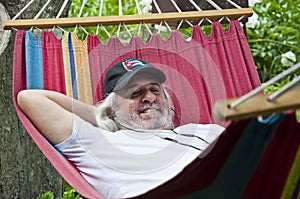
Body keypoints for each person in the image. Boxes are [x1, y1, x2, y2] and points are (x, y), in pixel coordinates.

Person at [17, 58, 225, 198]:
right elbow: (31, 99)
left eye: (155, 90)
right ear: (112, 110)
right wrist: (105, 117)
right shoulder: (100, 144)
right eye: (135, 93)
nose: (150, 98)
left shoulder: (206, 131)